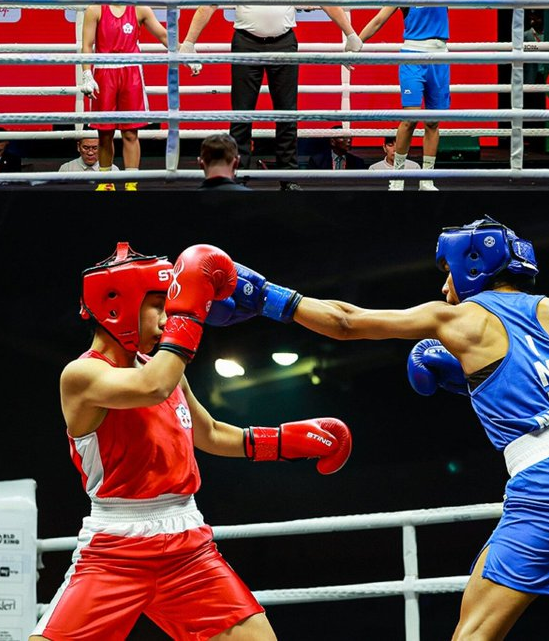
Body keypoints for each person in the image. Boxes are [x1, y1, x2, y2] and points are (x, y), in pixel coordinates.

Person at [213, 217, 549, 641]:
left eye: (448, 273)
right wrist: (471, 381)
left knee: (473, 633)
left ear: (472, 267)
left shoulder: (460, 318)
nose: (445, 288)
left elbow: (348, 322)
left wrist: (268, 296)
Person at [31, 242, 351, 641]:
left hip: (188, 546)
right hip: (115, 550)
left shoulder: (162, 369)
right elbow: (152, 387)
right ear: (119, 306)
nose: (167, 319)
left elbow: (209, 432)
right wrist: (190, 310)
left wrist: (284, 442)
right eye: (158, 307)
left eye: (170, 308)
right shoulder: (82, 376)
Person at [179, 0, 364, 191]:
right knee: (241, 115)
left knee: (287, 114)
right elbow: (209, 3)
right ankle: (237, 176)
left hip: (284, 43)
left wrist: (350, 33)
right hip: (246, 43)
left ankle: (289, 179)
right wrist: (189, 42)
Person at [358, 0, 490, 191]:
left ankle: (427, 179)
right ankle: (397, 177)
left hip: (440, 57)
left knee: (432, 121)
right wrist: (355, 44)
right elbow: (379, 20)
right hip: (412, 57)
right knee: (409, 118)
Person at [79, 0, 168, 192]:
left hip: (131, 73)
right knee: (104, 132)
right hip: (104, 73)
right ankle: (105, 182)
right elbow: (87, 45)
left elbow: (163, 35)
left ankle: (131, 184)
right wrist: (87, 74)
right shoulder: (95, 9)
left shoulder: (140, 8)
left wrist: (187, 53)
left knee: (130, 132)